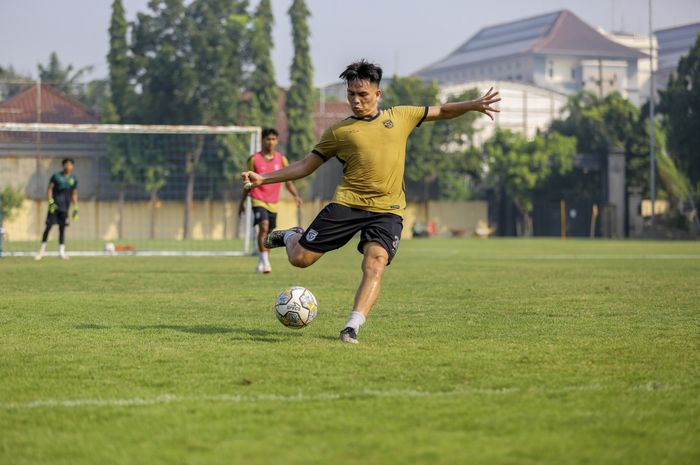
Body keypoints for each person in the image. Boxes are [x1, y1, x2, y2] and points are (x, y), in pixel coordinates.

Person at [241, 60, 500, 343]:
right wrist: (263, 179)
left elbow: (444, 110)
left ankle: (352, 326)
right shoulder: (339, 132)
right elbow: (305, 166)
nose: (356, 100)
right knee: (300, 259)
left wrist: (473, 104)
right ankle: (293, 235)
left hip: (388, 211)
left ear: (378, 94)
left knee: (375, 262)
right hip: (347, 204)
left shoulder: (401, 116)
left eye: (362, 94)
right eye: (351, 94)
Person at [239, 128, 303, 273]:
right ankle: (265, 262)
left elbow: (288, 180)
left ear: (277, 141)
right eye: (268, 139)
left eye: (273, 139)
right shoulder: (254, 159)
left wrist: (296, 196)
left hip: (273, 202)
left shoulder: (281, 159)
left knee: (269, 233)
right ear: (262, 140)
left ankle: (262, 260)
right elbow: (247, 183)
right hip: (258, 199)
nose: (271, 142)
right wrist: (242, 202)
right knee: (263, 225)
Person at [36, 158, 79, 260]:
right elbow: (49, 189)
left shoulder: (74, 179)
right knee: (48, 227)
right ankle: (41, 251)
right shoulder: (56, 176)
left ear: (72, 166)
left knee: (62, 229)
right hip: (54, 207)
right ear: (63, 166)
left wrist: (76, 207)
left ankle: (61, 252)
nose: (68, 166)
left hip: (65, 208)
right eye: (66, 164)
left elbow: (74, 194)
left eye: (70, 165)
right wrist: (50, 202)